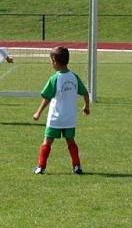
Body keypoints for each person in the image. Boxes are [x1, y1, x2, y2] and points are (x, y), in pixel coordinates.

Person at [32, 46, 90, 175]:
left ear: (54, 61)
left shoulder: (55, 79)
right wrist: (86, 106)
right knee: (71, 141)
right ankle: (77, 166)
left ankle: (41, 167)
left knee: (47, 141)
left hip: (55, 118)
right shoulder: (74, 77)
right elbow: (85, 93)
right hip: (70, 118)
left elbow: (47, 98)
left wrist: (38, 112)